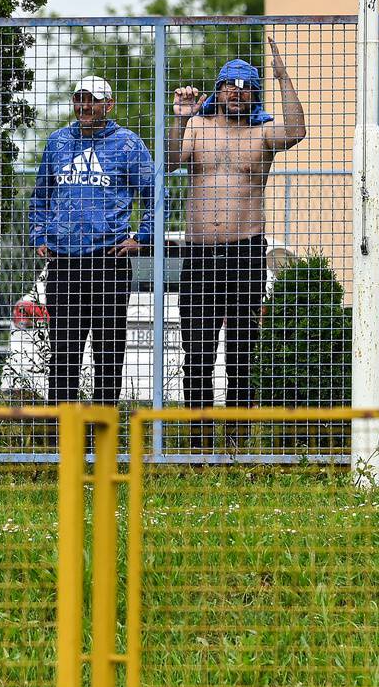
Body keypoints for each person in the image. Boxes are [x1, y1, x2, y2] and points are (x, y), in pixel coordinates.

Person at [165, 35, 307, 408]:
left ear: (255, 95)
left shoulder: (262, 133)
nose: (237, 93)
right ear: (218, 91)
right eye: (230, 85)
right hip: (198, 254)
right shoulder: (197, 127)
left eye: (246, 88)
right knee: (197, 357)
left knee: (242, 357)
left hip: (245, 253)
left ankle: (236, 444)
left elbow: (296, 131)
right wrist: (179, 120)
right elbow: (170, 161)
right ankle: (198, 449)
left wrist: (282, 76)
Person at [29, 76, 158, 404]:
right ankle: (61, 438)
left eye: (93, 100)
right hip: (64, 261)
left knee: (109, 352)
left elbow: (155, 194)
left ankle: (103, 436)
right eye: (79, 99)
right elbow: (41, 195)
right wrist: (39, 234)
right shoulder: (58, 142)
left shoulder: (127, 143)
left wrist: (142, 237)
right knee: (63, 354)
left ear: (108, 105)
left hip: (109, 259)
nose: (85, 106)